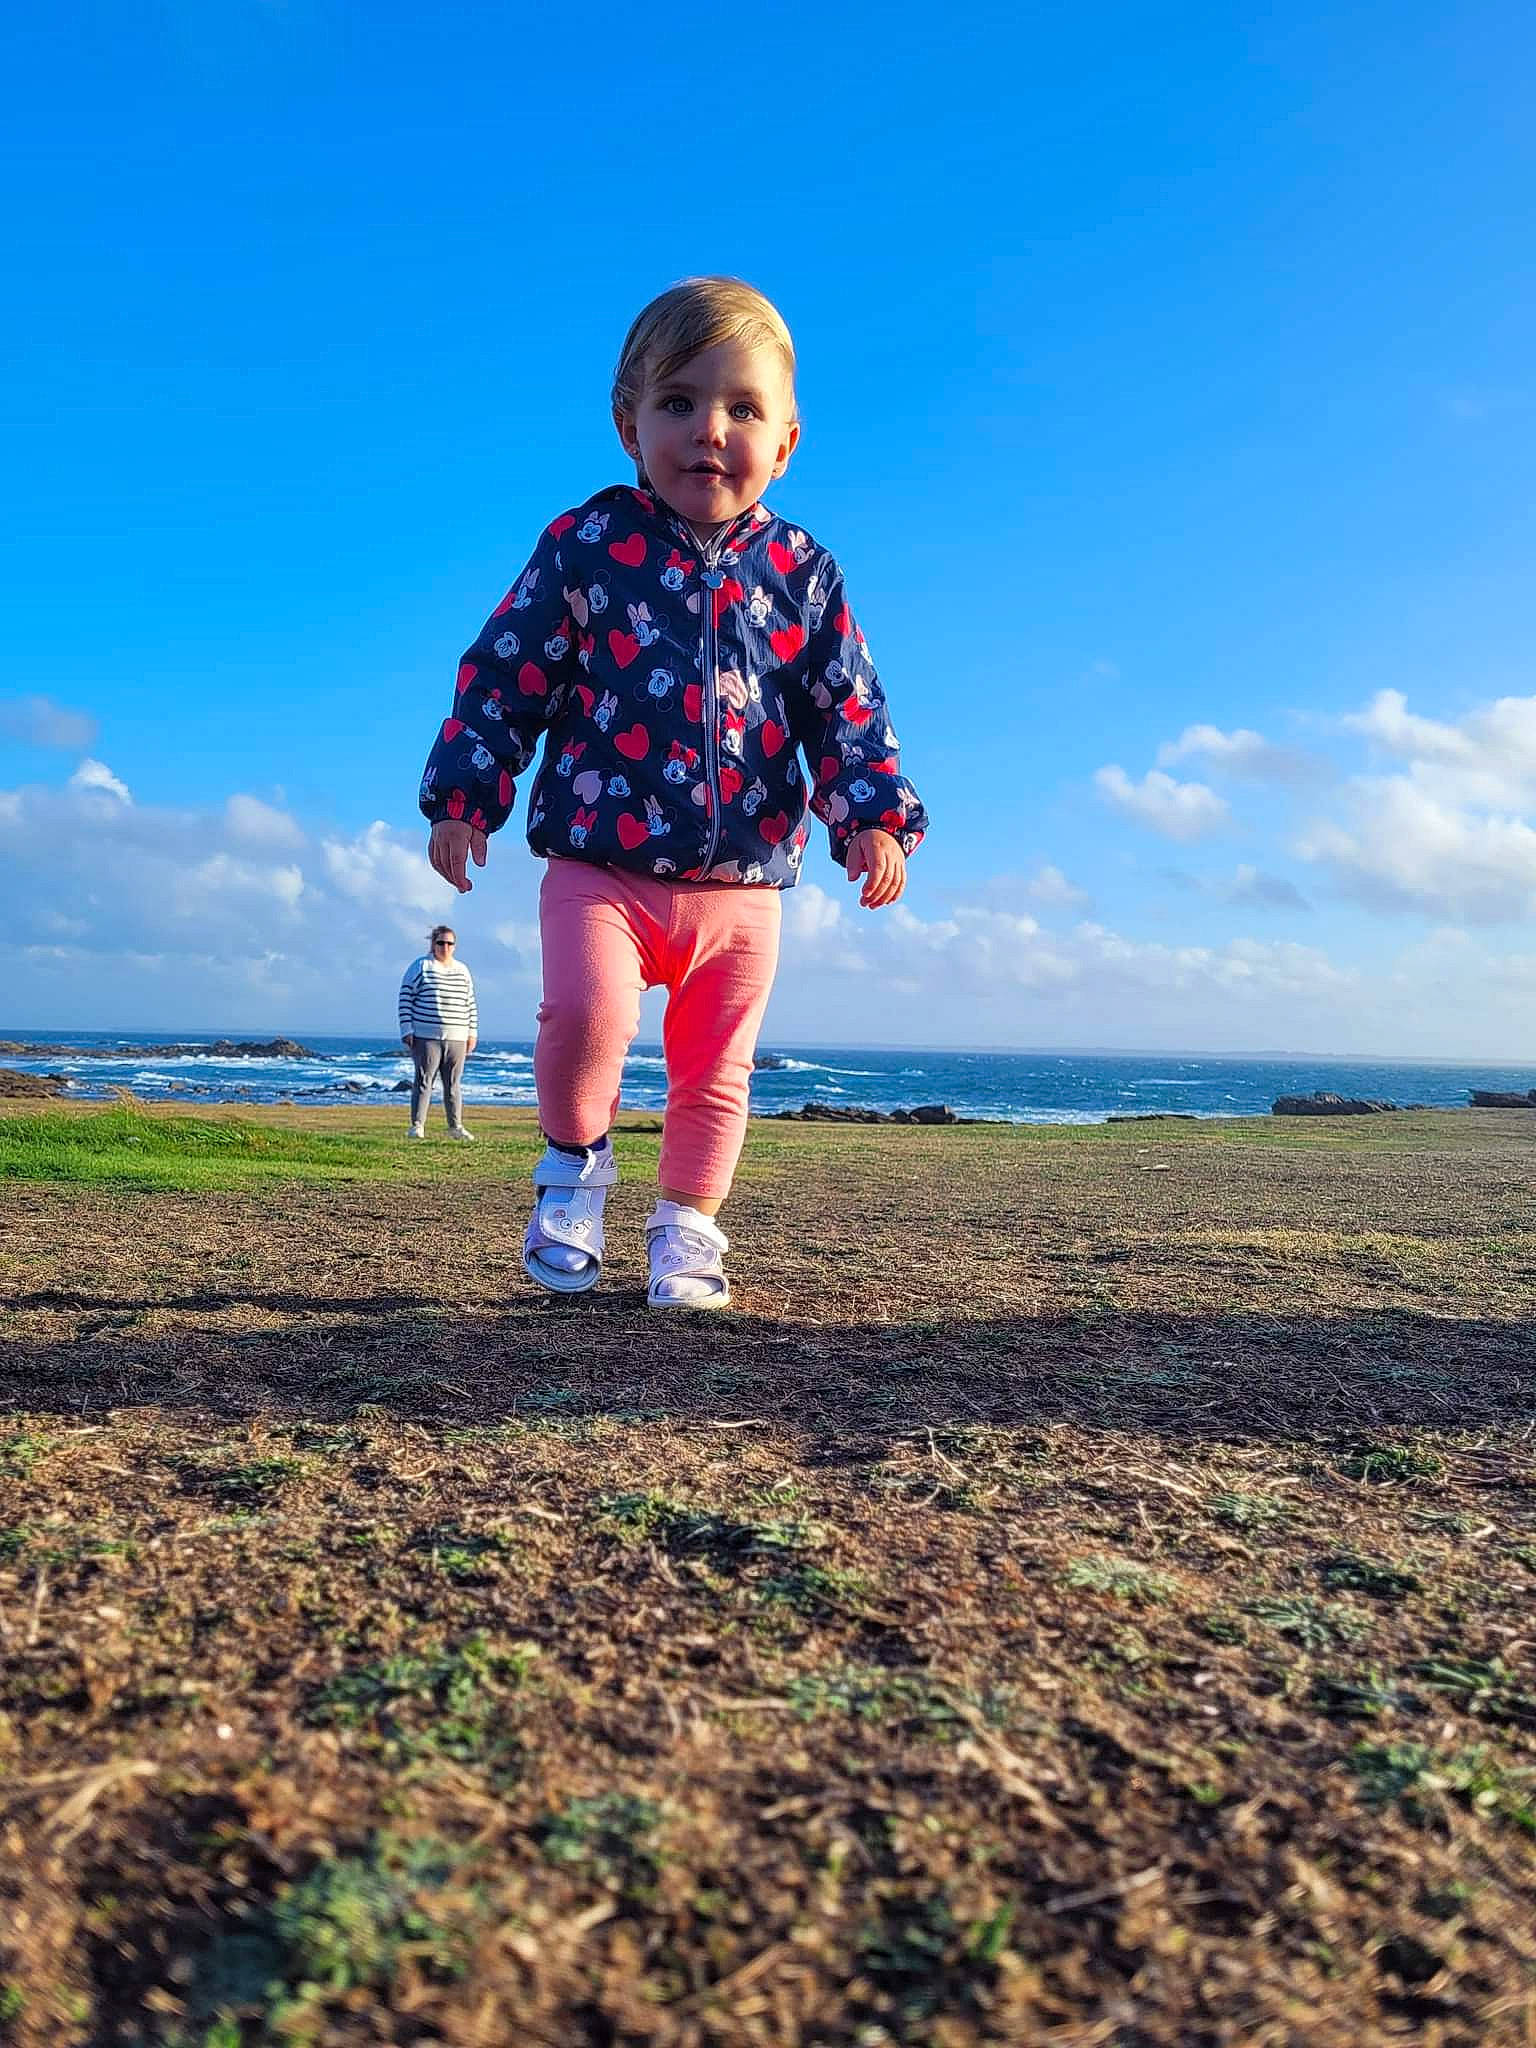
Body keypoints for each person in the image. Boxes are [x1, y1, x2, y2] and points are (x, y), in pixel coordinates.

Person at [417, 276, 926, 1305]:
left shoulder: (804, 572)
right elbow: (508, 670)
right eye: (679, 403)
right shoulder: (588, 545)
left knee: (717, 1067)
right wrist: (468, 791)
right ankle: (571, 1174)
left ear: (785, 441)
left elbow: (846, 707)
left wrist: (871, 817)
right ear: (629, 424)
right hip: (599, 863)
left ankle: (688, 1227)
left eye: (743, 408)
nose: (710, 429)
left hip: (742, 884)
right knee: (586, 1016)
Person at [397, 924, 478, 1140]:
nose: (445, 947)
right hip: (426, 1035)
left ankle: (456, 1126)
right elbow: (405, 997)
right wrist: (407, 1029)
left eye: (449, 943)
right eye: (441, 942)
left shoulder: (462, 970)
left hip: (457, 1036)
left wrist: (472, 1033)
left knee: (453, 1084)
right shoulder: (420, 966)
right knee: (424, 1081)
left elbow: (470, 1003)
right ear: (433, 944)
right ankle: (417, 1125)